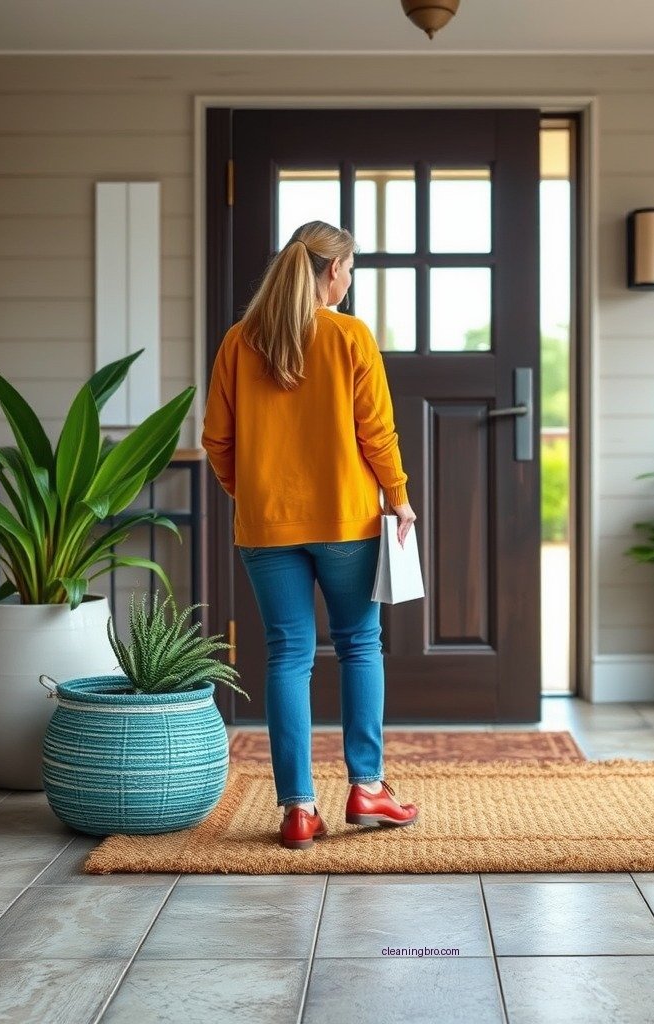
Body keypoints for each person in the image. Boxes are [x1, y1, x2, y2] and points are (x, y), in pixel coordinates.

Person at [201, 220, 420, 850]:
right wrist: (400, 499)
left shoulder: (240, 342)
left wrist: (255, 495)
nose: (348, 282)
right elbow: (376, 433)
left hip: (266, 528)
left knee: (287, 656)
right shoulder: (349, 337)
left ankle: (298, 809)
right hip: (346, 521)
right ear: (328, 271)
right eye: (347, 269)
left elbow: (218, 439)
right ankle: (367, 788)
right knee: (358, 644)